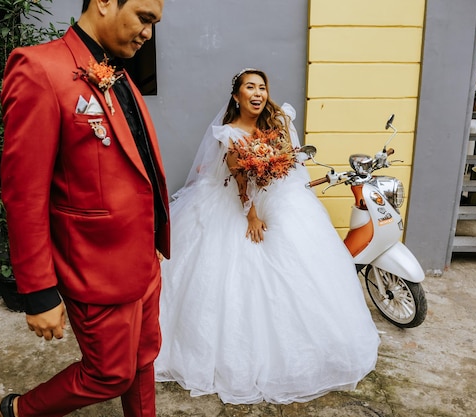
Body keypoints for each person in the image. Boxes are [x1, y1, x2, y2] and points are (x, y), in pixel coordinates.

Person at [154, 68, 380, 405]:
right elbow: (238, 182)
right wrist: (252, 214)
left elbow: (293, 163)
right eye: (250, 87)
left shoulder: (280, 123)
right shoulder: (228, 133)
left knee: (301, 264)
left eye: (262, 87)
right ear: (237, 96)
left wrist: (278, 168)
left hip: (280, 196)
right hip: (238, 201)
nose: (257, 93)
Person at [0, 0, 168, 416]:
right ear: (105, 2)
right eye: (144, 18)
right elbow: (24, 193)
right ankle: (20, 410)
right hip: (94, 265)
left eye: (154, 23)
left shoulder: (121, 72)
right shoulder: (39, 68)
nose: (148, 32)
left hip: (143, 258)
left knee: (144, 356)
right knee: (108, 374)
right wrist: (38, 292)